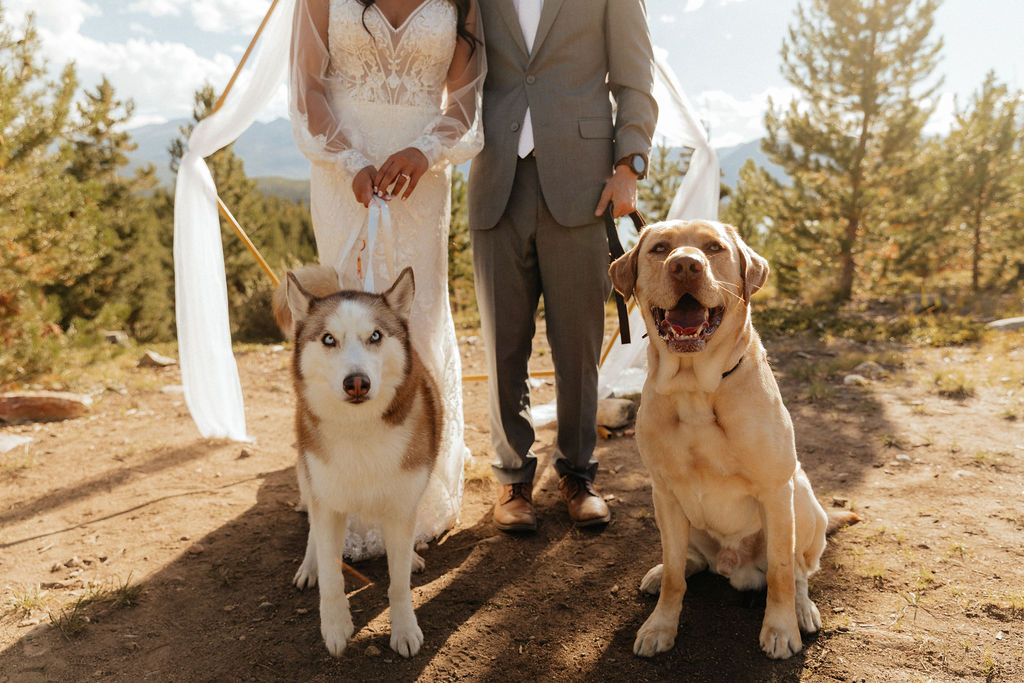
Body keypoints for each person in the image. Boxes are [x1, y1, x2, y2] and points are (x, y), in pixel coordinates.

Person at [289, 0, 485, 559]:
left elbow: (467, 98)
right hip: (342, 172)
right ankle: (341, 490)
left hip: (419, 181)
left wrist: (426, 151)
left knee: (413, 324)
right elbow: (309, 86)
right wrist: (348, 161)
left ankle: (411, 492)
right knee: (344, 327)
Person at [468, 0, 657, 531]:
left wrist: (629, 165)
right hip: (495, 179)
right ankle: (512, 480)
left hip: (584, 185)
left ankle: (579, 473)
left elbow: (634, 77)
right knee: (503, 341)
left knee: (576, 342)